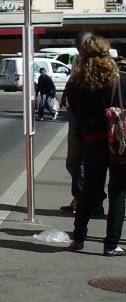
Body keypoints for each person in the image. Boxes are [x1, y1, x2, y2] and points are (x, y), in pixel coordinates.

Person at [64, 34, 126, 256]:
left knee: (89, 191)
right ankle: (111, 245)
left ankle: (78, 239)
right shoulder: (120, 81)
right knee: (118, 192)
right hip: (118, 143)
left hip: (91, 143)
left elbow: (75, 115)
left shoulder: (75, 85)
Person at [59, 30, 94, 212]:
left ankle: (85, 199)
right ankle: (81, 198)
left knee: (77, 160)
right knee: (76, 161)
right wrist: (66, 94)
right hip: (76, 114)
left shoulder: (93, 63)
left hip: (85, 117)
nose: (79, 49)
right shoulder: (78, 60)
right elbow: (72, 81)